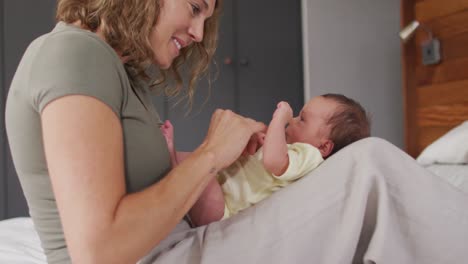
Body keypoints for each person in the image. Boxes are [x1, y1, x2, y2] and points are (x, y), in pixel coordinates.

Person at [5, 0, 265, 263]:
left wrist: (230, 155)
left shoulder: (118, 69)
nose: (199, 33)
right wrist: (211, 154)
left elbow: (139, 176)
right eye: (195, 8)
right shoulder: (76, 52)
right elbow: (99, 251)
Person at [161, 94, 371, 226]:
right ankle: (171, 159)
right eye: (296, 115)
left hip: (222, 211)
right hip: (221, 192)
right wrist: (262, 142)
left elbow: (273, 162)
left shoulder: (310, 157)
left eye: (302, 119)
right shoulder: (293, 152)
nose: (294, 120)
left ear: (324, 146)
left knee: (202, 164)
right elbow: (267, 160)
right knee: (190, 161)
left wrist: (280, 118)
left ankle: (170, 159)